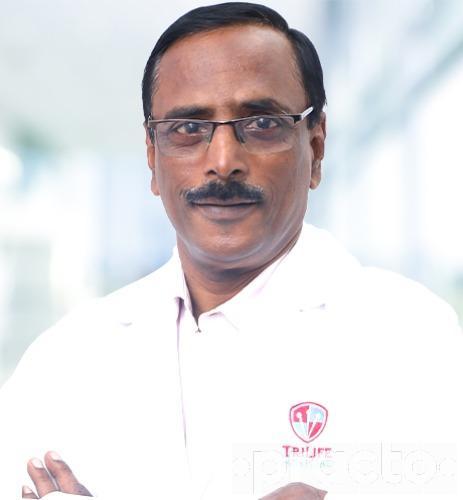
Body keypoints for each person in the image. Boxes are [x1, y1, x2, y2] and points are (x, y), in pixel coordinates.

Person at [1, 3, 461, 500]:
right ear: (153, 157)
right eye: (188, 128)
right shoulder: (62, 360)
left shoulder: (409, 338)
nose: (223, 162)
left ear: (316, 148)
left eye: (261, 123)